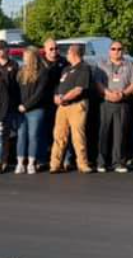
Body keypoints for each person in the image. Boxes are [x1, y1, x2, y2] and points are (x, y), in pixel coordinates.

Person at [95, 41, 133, 173]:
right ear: (109, 51)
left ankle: (118, 162)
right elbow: (97, 82)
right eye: (113, 49)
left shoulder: (129, 65)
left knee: (119, 134)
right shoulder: (101, 64)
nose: (116, 51)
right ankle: (101, 162)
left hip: (122, 103)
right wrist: (108, 93)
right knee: (103, 133)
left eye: (119, 49)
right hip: (106, 103)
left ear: (123, 51)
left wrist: (122, 93)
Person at [50, 44, 93, 174]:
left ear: (74, 53)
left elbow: (78, 89)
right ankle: (55, 165)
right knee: (59, 136)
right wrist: (56, 96)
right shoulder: (66, 69)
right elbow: (59, 86)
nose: (66, 55)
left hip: (76, 106)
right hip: (62, 107)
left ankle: (82, 163)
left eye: (68, 52)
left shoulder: (84, 68)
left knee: (78, 136)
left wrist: (64, 98)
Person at [15, 47, 47, 174]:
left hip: (36, 110)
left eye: (26, 56)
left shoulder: (42, 72)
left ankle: (31, 163)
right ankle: (20, 163)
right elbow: (16, 90)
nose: (24, 58)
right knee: (21, 136)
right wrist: (18, 105)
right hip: (21, 110)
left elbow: (39, 93)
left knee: (33, 136)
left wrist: (26, 106)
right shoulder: (21, 71)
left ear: (33, 57)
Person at [0, 39, 22, 171]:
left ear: (7, 50)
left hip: (10, 104)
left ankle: (4, 160)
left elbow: (17, 85)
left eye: (2, 49)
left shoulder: (14, 64)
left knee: (6, 134)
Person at [39, 39, 68, 165]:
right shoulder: (40, 63)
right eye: (51, 49)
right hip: (44, 102)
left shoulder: (64, 62)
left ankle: (64, 159)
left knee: (62, 132)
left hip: (60, 102)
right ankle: (43, 159)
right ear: (45, 50)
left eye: (56, 48)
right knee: (43, 132)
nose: (54, 51)